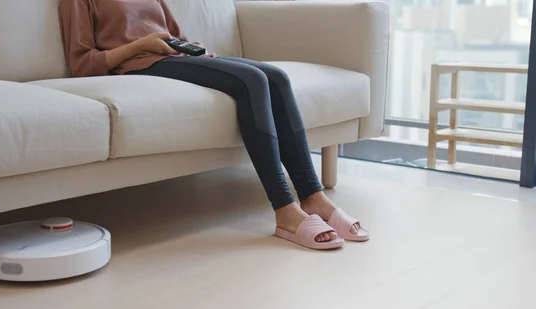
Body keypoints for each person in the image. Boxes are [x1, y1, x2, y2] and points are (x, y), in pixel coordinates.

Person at [58, 0, 368, 249]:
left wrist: (195, 49)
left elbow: (174, 37)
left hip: (175, 58)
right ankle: (285, 209)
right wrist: (141, 46)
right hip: (139, 67)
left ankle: (312, 197)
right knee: (252, 81)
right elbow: (82, 64)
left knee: (275, 76)